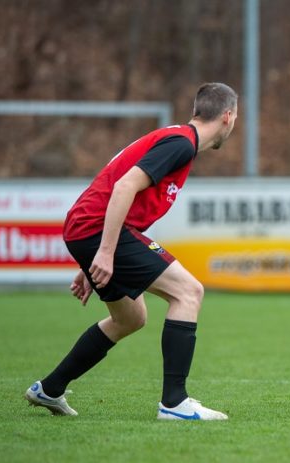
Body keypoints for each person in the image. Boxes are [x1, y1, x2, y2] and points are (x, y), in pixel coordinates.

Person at [24, 82, 238, 420]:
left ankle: (50, 389)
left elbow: (119, 191)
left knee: (130, 318)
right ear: (227, 116)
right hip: (94, 230)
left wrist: (93, 256)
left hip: (89, 230)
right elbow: (124, 186)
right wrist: (104, 251)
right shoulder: (181, 144)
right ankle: (174, 403)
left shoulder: (178, 140)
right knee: (188, 292)